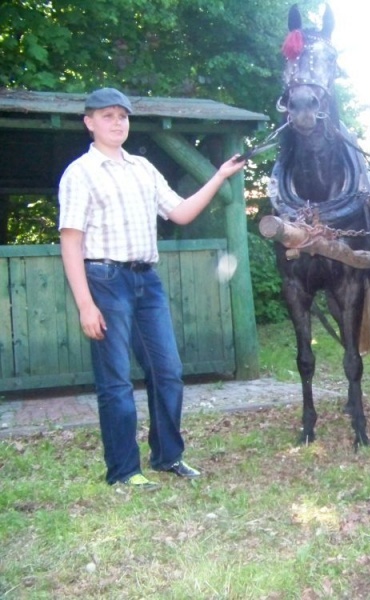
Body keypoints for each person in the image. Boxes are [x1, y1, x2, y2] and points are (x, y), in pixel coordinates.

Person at [58, 88, 246, 489]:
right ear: (89, 122)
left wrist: (219, 175)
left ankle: (167, 457)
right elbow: (71, 241)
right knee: (116, 381)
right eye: (107, 116)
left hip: (148, 282)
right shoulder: (80, 173)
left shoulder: (142, 167)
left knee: (168, 372)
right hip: (105, 281)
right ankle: (125, 472)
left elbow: (179, 212)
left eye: (122, 116)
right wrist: (85, 305)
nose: (117, 122)